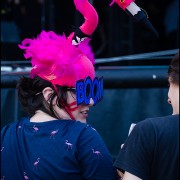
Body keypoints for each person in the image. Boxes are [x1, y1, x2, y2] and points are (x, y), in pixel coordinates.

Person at [1, 0, 119, 179]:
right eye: (82, 91)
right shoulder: (83, 137)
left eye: (93, 90)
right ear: (49, 95)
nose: (91, 101)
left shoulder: (5, 135)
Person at [113, 51, 179, 180]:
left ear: (172, 79)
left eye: (168, 85)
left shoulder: (148, 131)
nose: (168, 99)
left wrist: (128, 168)